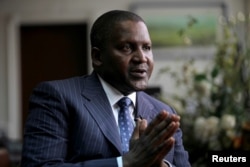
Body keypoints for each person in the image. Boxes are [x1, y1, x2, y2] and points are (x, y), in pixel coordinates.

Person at [21, 10, 191, 167]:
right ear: (97, 57)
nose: (141, 58)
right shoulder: (58, 97)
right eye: (127, 47)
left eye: (146, 48)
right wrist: (126, 162)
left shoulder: (163, 112)